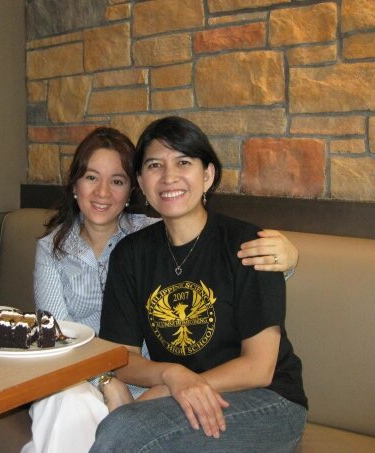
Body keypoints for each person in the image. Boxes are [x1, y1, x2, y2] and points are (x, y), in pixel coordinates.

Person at [22, 127, 301, 453]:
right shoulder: (131, 252)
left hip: (266, 399)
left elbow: (259, 368)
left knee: (124, 431)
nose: (169, 177)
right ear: (142, 183)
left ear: (207, 175)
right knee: (106, 421)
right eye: (155, 165)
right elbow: (123, 357)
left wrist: (290, 259)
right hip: (181, 394)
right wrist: (171, 376)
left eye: (183, 162)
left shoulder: (249, 245)